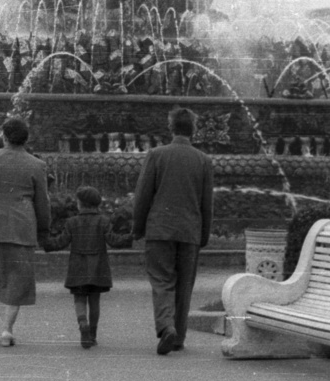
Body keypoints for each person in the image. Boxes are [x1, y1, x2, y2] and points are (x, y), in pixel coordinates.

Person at [132, 107, 215, 355]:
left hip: (159, 230)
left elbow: (142, 195)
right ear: (194, 130)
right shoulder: (204, 160)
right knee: (184, 284)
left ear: (171, 128)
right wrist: (204, 235)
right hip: (190, 232)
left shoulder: (156, 155)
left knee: (162, 281)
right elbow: (207, 203)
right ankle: (178, 336)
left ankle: (166, 326)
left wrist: (138, 228)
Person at [0, 117, 52, 347]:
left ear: (4, 137)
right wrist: (44, 228)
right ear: (26, 139)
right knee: (17, 279)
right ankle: (7, 330)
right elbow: (42, 203)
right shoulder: (37, 165)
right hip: (22, 226)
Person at [45, 187, 132, 349]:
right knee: (94, 300)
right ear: (96, 204)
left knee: (79, 298)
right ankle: (92, 334)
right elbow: (113, 240)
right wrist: (130, 237)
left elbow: (61, 242)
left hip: (77, 267)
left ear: (80, 203)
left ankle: (82, 323)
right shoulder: (103, 221)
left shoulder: (72, 222)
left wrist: (46, 243)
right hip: (98, 268)